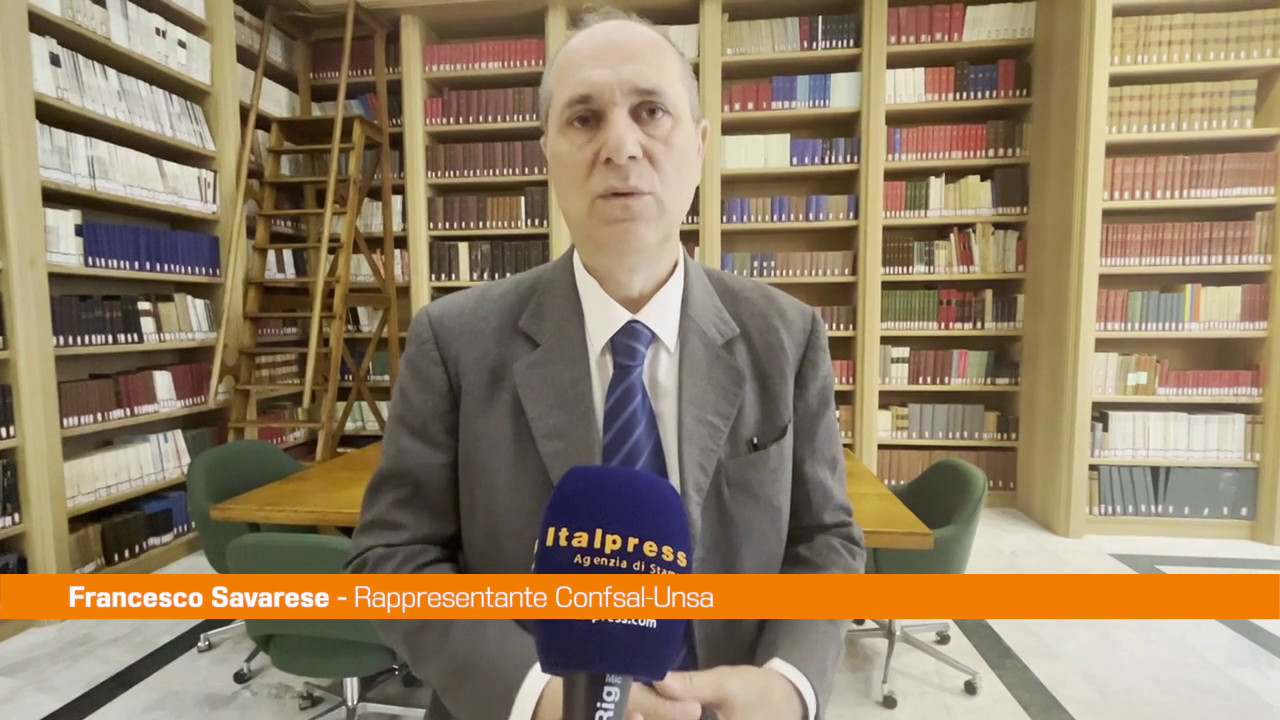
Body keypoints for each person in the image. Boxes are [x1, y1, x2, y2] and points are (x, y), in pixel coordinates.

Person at [343, 7, 867, 720]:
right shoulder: (453, 341)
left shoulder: (788, 335)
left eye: (651, 112)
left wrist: (788, 683)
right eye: (584, 119)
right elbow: (392, 558)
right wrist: (536, 697)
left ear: (700, 146)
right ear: (547, 155)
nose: (621, 147)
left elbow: (824, 539)